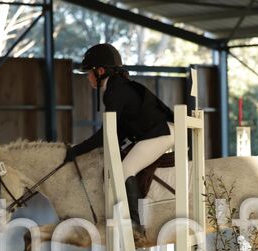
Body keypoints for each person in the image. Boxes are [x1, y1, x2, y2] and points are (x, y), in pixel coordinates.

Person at [64, 43, 175, 237]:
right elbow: (119, 130)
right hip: (159, 131)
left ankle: (135, 226)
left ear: (100, 71)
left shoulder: (114, 91)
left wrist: (76, 151)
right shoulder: (117, 87)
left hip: (162, 133)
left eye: (89, 72)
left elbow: (106, 133)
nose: (88, 77)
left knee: (124, 171)